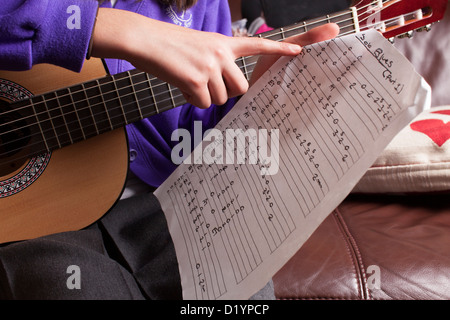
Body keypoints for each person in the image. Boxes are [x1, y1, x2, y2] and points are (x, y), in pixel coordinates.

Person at [0, 0, 339, 299]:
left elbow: (197, 128)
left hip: (164, 206)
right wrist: (115, 30)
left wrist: (246, 100)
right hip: (35, 223)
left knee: (236, 282)